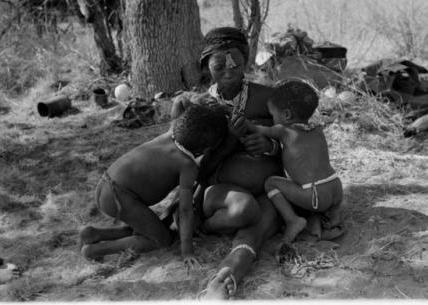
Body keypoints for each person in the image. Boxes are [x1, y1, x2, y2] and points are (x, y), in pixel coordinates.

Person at [171, 27, 283, 300]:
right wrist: (229, 141)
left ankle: (227, 275)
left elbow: (294, 145)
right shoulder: (196, 107)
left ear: (246, 58)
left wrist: (270, 146)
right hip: (220, 193)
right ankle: (204, 226)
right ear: (205, 65)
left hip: (267, 188)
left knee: (257, 226)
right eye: (219, 62)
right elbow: (193, 169)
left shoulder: (268, 98)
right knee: (244, 209)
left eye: (236, 59)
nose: (229, 68)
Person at [78, 105, 227, 269]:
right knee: (162, 240)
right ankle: (95, 250)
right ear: (205, 150)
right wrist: (187, 250)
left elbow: (187, 106)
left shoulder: (171, 133)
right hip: (119, 196)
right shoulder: (186, 165)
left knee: (154, 229)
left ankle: (94, 234)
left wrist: (217, 110)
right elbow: (185, 210)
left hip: (107, 183)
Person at [245, 79, 344, 244]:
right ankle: (334, 217)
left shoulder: (284, 131)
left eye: (272, 115)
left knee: (271, 183)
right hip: (335, 187)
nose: (272, 119)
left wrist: (242, 121)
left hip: (315, 195)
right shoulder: (317, 129)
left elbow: (256, 129)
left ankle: (293, 221)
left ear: (287, 115)